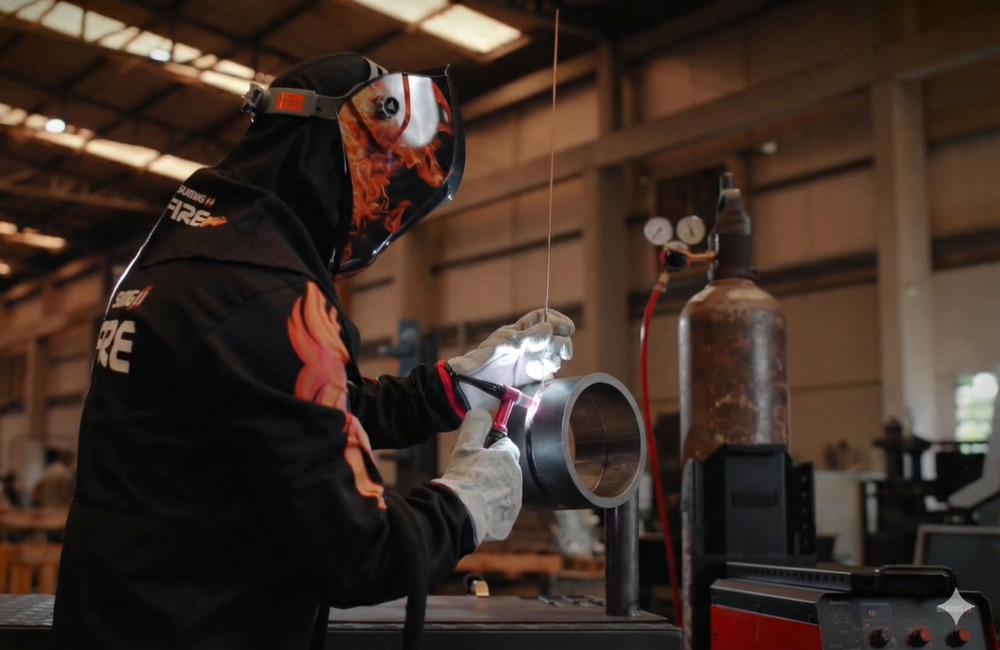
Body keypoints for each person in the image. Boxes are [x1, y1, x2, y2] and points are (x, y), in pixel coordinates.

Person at [51, 52, 574, 649]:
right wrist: (466, 505)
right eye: (381, 176)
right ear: (332, 152)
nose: (382, 206)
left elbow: (284, 412)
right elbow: (358, 551)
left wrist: (454, 388)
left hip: (119, 619)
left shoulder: (188, 254)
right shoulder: (271, 296)